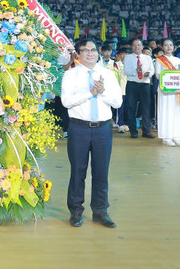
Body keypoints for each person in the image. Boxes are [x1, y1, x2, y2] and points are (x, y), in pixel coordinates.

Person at [61, 38, 122, 228]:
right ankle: (76, 211)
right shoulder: (70, 75)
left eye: (93, 50)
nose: (90, 53)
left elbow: (117, 102)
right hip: (79, 128)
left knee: (101, 171)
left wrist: (101, 92)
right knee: (78, 171)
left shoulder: (108, 74)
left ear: (98, 52)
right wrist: (91, 92)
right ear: (78, 54)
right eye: (85, 50)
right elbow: (66, 102)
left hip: (102, 129)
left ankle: (100, 211)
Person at [153, 38, 180, 147]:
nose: (169, 47)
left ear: (174, 47)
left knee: (176, 112)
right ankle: (166, 137)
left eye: (171, 45)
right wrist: (170, 73)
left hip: (176, 90)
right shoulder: (159, 60)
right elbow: (158, 75)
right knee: (166, 112)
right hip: (165, 89)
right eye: (166, 45)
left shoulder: (177, 60)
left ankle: (177, 136)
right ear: (162, 47)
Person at [123, 38, 154, 139]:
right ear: (132, 47)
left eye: (139, 45)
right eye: (134, 45)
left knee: (146, 108)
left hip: (145, 84)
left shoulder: (148, 58)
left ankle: (146, 130)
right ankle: (133, 131)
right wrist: (135, 71)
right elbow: (125, 71)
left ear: (142, 46)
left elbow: (152, 70)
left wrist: (148, 74)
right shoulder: (128, 58)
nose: (137, 47)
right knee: (131, 107)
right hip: (132, 84)